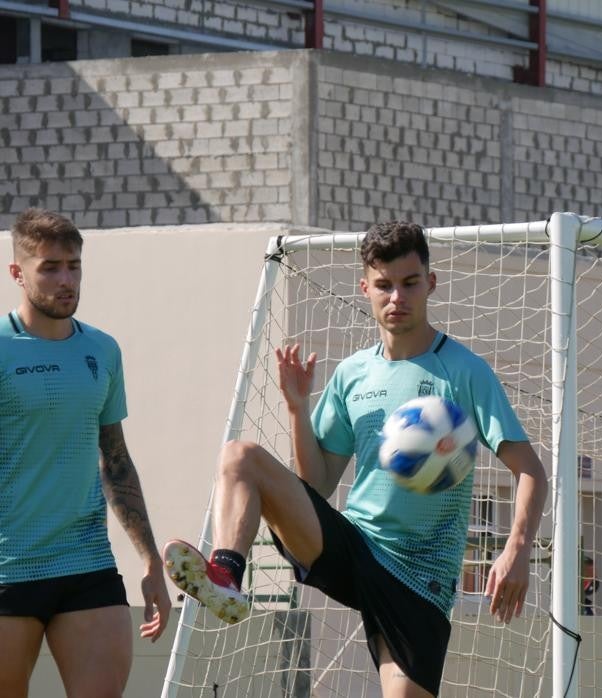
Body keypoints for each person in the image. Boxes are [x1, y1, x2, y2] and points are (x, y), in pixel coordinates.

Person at [163, 221, 548, 697]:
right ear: (365, 288)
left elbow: (530, 470)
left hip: (418, 574)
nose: (396, 297)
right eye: (384, 285)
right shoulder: (353, 374)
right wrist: (298, 410)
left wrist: (516, 550)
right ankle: (225, 575)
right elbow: (317, 484)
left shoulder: (465, 372)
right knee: (240, 457)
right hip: (354, 547)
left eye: (409, 283)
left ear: (430, 282)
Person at [1, 208, 171, 697]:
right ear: (18, 273)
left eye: (73, 265)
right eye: (49, 267)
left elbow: (115, 460)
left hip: (85, 562)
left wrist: (150, 562)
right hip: (8, 567)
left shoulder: (103, 350)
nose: (65, 279)